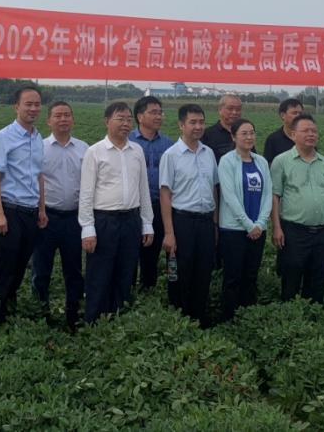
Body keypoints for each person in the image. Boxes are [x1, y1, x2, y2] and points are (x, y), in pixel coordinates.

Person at [79, 102, 154, 324]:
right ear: (107, 121)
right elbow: (86, 193)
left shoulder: (136, 151)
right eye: (120, 118)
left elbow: (143, 189)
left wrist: (147, 223)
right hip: (104, 220)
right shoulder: (95, 152)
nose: (125, 123)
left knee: (125, 272)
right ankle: (94, 323)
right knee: (99, 274)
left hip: (131, 219)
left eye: (128, 119)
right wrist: (88, 228)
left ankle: (118, 321)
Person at [269, 113, 324, 303]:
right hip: (293, 231)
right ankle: (290, 314)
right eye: (306, 131)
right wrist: (276, 227)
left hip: (321, 232)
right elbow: (274, 196)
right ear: (293, 134)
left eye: (314, 131)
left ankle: (313, 315)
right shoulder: (281, 161)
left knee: (317, 278)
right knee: (291, 277)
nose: (311, 134)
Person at [0, 86, 45, 324]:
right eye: (28, 104)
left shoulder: (37, 137)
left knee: (21, 264)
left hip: (31, 212)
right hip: (10, 210)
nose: (33, 109)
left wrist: (42, 209)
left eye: (37, 104)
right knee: (6, 265)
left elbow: (39, 176)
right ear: (16, 107)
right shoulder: (3, 137)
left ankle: (10, 306)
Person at [160, 104, 219, 326]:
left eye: (201, 122)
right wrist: (169, 232)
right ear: (181, 125)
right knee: (178, 272)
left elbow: (214, 189)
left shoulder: (208, 153)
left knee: (203, 271)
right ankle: (179, 320)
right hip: (182, 221)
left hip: (205, 222)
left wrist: (215, 224)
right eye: (193, 122)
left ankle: (200, 317)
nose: (198, 126)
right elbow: (165, 194)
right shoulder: (171, 155)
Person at [33, 100, 87, 331]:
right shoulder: (39, 148)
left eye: (67, 115)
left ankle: (73, 316)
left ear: (73, 119)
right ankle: (40, 314)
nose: (63, 119)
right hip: (46, 218)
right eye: (58, 115)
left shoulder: (84, 148)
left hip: (74, 218)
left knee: (74, 270)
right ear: (48, 120)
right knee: (41, 270)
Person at [217, 119, 272, 321]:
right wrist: (248, 224)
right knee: (233, 277)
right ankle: (229, 319)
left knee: (251, 276)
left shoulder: (261, 162)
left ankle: (248, 319)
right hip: (234, 230)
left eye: (252, 133)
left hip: (258, 229)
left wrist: (260, 223)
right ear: (233, 137)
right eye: (244, 133)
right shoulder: (227, 161)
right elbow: (229, 196)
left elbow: (268, 194)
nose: (249, 137)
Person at [129, 95, 174, 290]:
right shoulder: (128, 140)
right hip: (133, 206)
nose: (158, 116)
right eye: (153, 112)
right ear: (140, 116)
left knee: (152, 252)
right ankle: (128, 291)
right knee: (130, 252)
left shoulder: (169, 144)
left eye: (160, 112)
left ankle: (148, 289)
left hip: (159, 205)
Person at [202, 94, 242, 163]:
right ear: (220, 110)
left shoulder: (245, 133)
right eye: (230, 109)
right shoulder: (207, 134)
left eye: (238, 109)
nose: (234, 112)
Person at [263, 98, 304, 164]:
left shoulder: (307, 137)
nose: (298, 116)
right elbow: (268, 164)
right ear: (282, 115)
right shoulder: (273, 140)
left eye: (300, 113)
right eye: (294, 113)